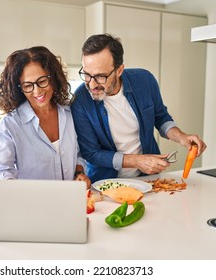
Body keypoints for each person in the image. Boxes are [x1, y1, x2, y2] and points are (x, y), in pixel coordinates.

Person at [71, 33, 207, 183]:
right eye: (86, 74)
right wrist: (137, 161)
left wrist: (182, 137)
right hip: (105, 182)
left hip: (150, 179)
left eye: (100, 76)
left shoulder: (144, 80)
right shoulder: (80, 101)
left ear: (119, 70)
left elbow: (160, 117)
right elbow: (92, 153)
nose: (91, 84)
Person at [0, 46, 91, 188]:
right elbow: (0, 172)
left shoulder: (69, 113)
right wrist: (13, 188)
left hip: (70, 201)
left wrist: (79, 173)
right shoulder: (11, 125)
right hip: (33, 205)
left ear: (53, 78)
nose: (37, 91)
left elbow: (78, 153)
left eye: (42, 81)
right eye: (28, 85)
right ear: (19, 87)